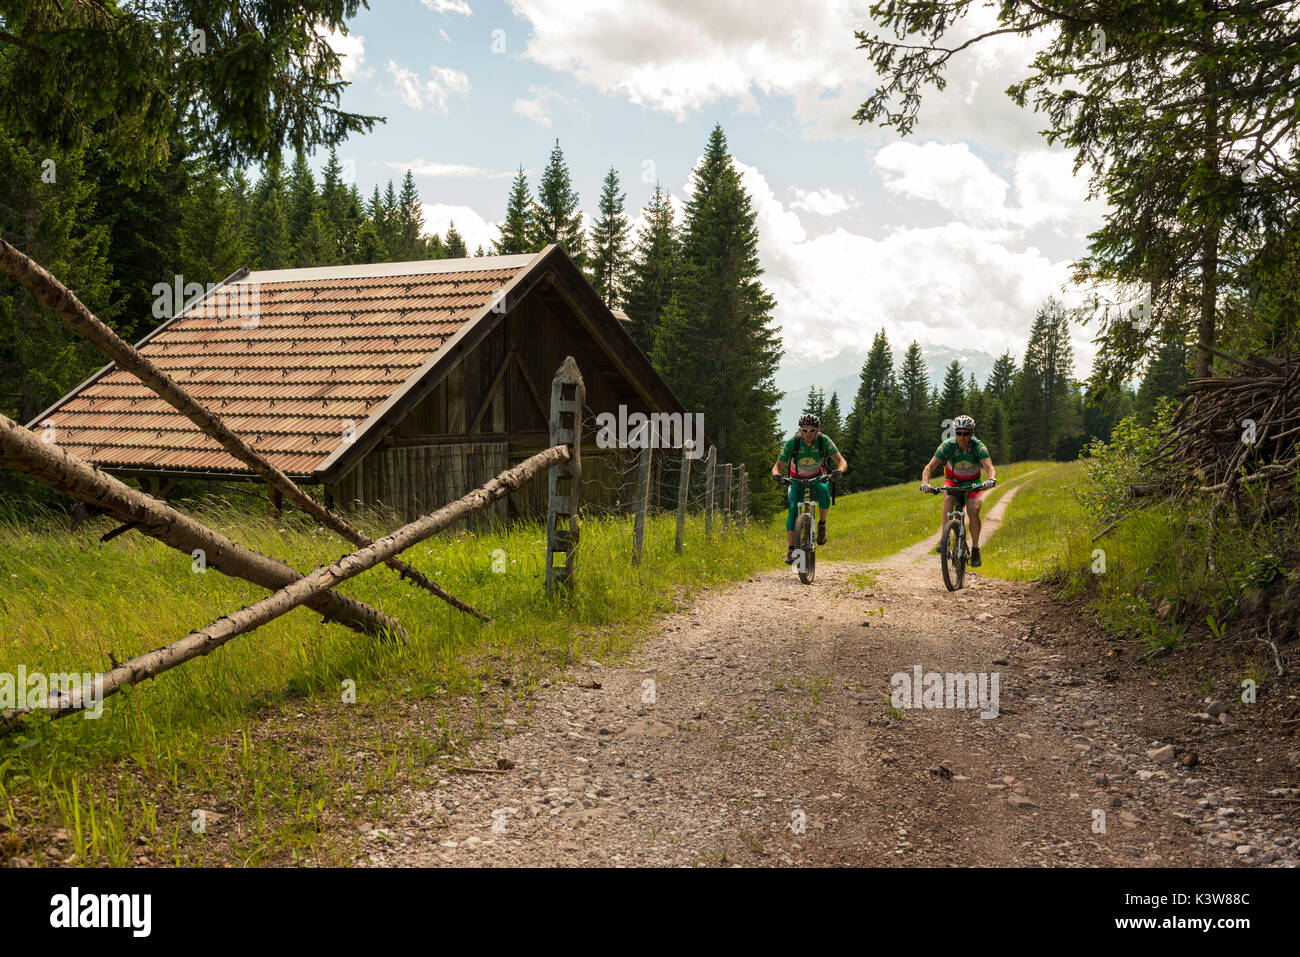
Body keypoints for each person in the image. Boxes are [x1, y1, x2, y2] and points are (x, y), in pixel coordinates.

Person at [920, 414, 996, 567]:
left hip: (973, 483)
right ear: (955, 432)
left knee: (973, 510)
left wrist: (991, 479)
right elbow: (929, 467)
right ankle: (945, 539)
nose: (962, 436)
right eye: (959, 433)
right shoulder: (948, 445)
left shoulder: (978, 446)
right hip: (953, 481)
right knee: (948, 499)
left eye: (966, 433)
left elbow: (989, 467)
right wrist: (925, 483)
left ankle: (975, 549)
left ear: (971, 433)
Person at [770, 413, 847, 564]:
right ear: (800, 430)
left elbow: (841, 461)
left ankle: (822, 525)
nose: (808, 434)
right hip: (796, 479)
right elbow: (777, 466)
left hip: (817, 476)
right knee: (793, 507)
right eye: (804, 430)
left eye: (812, 430)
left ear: (818, 430)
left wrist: (840, 471)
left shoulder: (824, 441)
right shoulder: (793, 442)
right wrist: (776, 475)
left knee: (824, 492)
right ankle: (791, 549)